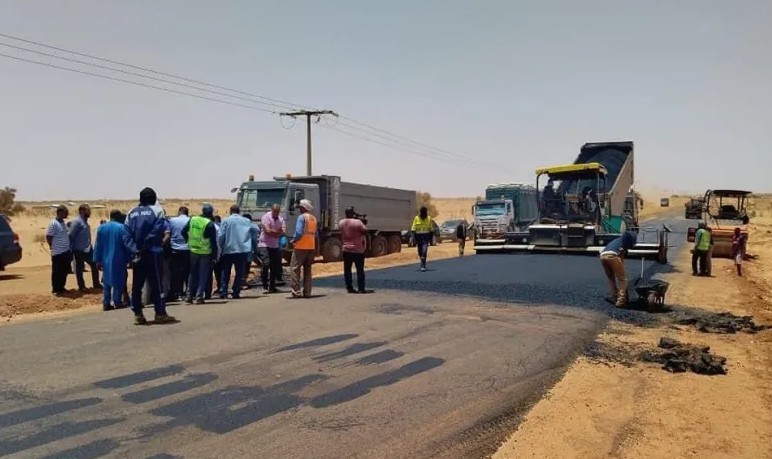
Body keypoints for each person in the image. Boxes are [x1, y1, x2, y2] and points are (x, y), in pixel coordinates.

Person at [125, 187, 175, 325]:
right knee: (157, 284)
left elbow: (126, 235)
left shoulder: (130, 213)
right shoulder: (157, 211)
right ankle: (160, 313)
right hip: (153, 252)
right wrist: (144, 246)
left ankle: (138, 314)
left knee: (137, 285)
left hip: (137, 254)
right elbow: (156, 230)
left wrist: (135, 249)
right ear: (153, 198)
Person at [93, 210, 137, 311]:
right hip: (119, 258)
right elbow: (126, 244)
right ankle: (117, 301)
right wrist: (130, 258)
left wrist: (97, 260)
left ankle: (106, 302)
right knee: (119, 280)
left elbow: (98, 245)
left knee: (106, 281)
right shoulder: (122, 228)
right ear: (118, 217)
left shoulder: (101, 228)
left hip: (105, 258)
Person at [218, 205, 257, 299]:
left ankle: (223, 292)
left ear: (230, 211)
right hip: (242, 250)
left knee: (225, 272)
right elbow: (255, 231)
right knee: (240, 272)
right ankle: (236, 292)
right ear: (239, 211)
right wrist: (253, 247)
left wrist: (221, 246)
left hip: (228, 249)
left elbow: (221, 236)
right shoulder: (246, 221)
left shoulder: (226, 221)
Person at [183, 204, 218, 304]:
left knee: (192, 274)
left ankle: (189, 296)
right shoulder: (209, 224)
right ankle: (199, 297)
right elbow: (213, 242)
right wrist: (214, 255)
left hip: (193, 250)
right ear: (211, 212)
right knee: (203, 275)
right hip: (205, 252)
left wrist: (188, 240)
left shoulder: (193, 219)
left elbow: (183, 231)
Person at [599, 231, 637, 307]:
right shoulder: (623, 244)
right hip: (612, 255)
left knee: (611, 278)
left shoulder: (617, 241)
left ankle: (614, 297)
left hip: (602, 256)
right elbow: (621, 259)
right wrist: (622, 270)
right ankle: (621, 301)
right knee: (623, 280)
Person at [69, 204, 101, 292]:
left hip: (88, 248)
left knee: (94, 265)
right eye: (88, 210)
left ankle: (96, 284)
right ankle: (81, 286)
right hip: (79, 249)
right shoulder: (77, 222)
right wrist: (70, 249)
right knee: (79, 268)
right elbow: (71, 235)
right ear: (82, 211)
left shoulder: (85, 221)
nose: (89, 212)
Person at [339, 206, 371, 294]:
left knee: (347, 270)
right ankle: (361, 288)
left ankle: (349, 287)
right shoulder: (357, 222)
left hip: (346, 249)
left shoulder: (341, 222)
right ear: (352, 213)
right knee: (360, 270)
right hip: (357, 249)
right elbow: (365, 231)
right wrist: (362, 221)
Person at [290, 199, 317, 298]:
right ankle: (307, 292)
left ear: (303, 208)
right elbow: (316, 234)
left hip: (301, 247)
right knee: (307, 270)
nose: (299, 209)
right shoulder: (313, 218)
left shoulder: (301, 217)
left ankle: (296, 292)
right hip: (311, 246)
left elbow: (298, 232)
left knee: (294, 269)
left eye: (300, 207)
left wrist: (293, 241)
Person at [257, 204, 285, 294]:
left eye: (277, 211)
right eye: (274, 211)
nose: (276, 213)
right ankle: (265, 285)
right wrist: (277, 233)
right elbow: (267, 231)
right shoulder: (266, 217)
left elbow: (283, 231)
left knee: (274, 266)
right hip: (264, 244)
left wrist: (275, 233)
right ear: (272, 210)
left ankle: (272, 286)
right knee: (266, 263)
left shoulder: (281, 219)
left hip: (275, 245)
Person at [46, 205, 72, 296]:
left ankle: (61, 287)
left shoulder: (63, 223)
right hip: (57, 252)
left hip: (66, 251)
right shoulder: (54, 223)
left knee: (64, 271)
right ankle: (55, 289)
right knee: (57, 271)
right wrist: (51, 246)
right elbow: (49, 236)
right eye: (65, 213)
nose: (66, 215)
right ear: (60, 212)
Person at [168, 206, 191, 301]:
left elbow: (168, 233)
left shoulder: (172, 220)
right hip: (188, 248)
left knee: (175, 272)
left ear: (179, 212)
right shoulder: (190, 220)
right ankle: (188, 292)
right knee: (188, 271)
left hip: (174, 249)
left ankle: (177, 292)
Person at [411, 206, 434, 272]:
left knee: (424, 250)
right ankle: (422, 260)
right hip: (418, 237)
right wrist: (413, 237)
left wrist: (431, 238)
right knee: (420, 251)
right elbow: (413, 228)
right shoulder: (416, 218)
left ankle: (423, 265)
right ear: (420, 212)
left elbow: (431, 229)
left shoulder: (429, 218)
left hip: (426, 237)